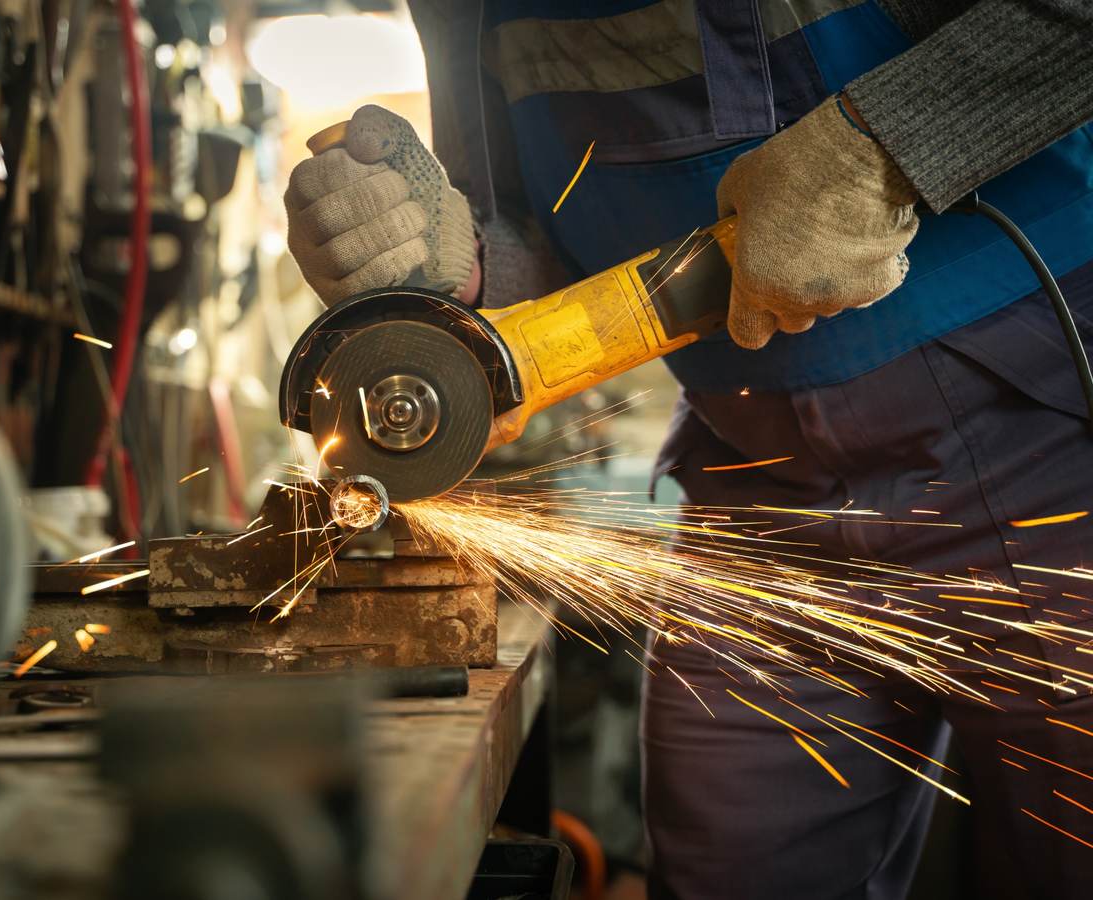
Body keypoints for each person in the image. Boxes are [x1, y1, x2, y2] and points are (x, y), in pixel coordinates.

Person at [284, 2, 1093, 896]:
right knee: (727, 869)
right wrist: (463, 269)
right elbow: (541, 241)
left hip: (1048, 453)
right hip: (763, 506)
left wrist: (882, 148)